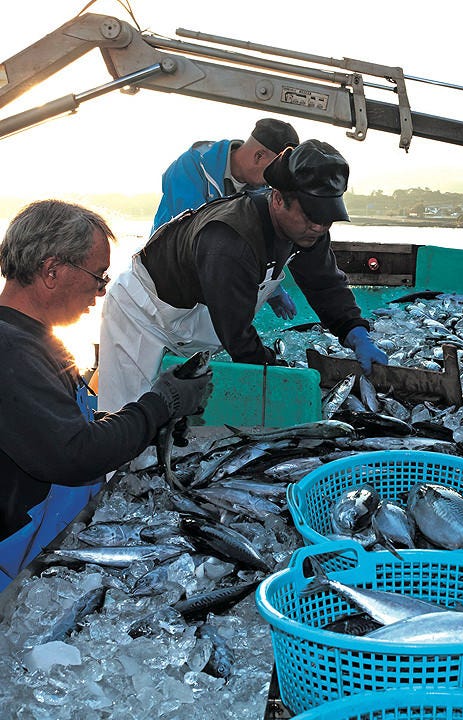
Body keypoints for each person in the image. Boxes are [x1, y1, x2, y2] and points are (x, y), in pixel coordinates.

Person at [0, 200, 211, 590]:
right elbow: (75, 453)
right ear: (52, 271)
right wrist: (160, 404)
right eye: (98, 276)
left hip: (49, 545)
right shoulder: (9, 351)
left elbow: (60, 426)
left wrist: (151, 424)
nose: (101, 292)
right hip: (12, 567)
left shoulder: (35, 340)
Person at [97, 139, 387, 413]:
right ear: (278, 199)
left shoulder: (308, 232)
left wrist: (354, 331)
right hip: (143, 316)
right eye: (311, 215)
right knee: (129, 414)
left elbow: (324, 284)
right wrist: (276, 371)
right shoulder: (229, 239)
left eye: (327, 218)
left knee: (178, 418)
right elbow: (237, 334)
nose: (319, 227)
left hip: (196, 321)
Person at [152, 118, 301, 320]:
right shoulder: (191, 166)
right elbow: (191, 237)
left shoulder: (263, 191)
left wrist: (272, 289)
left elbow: (260, 244)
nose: (274, 182)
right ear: (258, 156)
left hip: (212, 284)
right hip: (164, 282)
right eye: (273, 172)